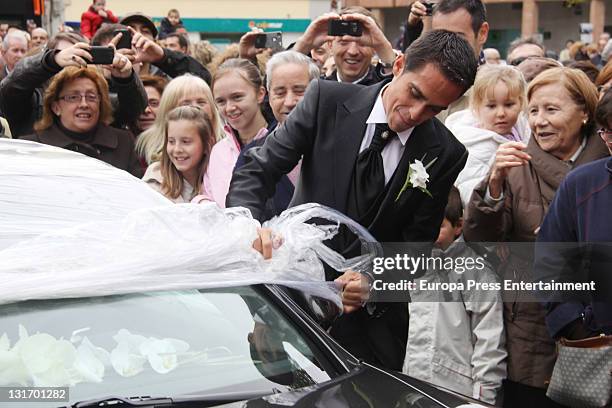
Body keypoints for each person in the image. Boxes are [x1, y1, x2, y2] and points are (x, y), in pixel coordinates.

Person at [226, 30, 478, 370]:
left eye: (434, 109)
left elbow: (416, 248)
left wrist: (374, 283)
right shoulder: (326, 100)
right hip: (295, 300)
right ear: (398, 66)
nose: (416, 113)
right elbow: (259, 168)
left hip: (374, 330)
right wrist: (248, 227)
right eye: (414, 94)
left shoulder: (445, 153)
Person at [463, 67, 608, 407]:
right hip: (531, 320)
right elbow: (481, 243)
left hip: (597, 323)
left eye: (552, 110)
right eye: (534, 111)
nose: (540, 121)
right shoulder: (515, 165)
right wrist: (494, 184)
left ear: (585, 113)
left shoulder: (604, 167)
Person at [404, 187, 506, 405]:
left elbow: (489, 343)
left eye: (438, 227)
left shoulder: (476, 273)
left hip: (457, 393)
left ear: (458, 226)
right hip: (412, 388)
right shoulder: (410, 266)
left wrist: (481, 400)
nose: (429, 235)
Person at [534, 87, 612, 344]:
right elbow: (550, 261)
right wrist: (578, 324)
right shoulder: (582, 184)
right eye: (609, 133)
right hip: (598, 347)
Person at [0, 32, 147, 138]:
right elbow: (10, 87)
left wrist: (125, 79)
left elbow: (134, 109)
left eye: (80, 55)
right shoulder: (32, 103)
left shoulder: (96, 102)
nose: (72, 61)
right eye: (68, 55)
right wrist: (52, 60)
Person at [20, 66, 141, 177]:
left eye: (91, 97)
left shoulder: (124, 143)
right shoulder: (32, 147)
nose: (84, 104)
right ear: (56, 107)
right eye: (73, 97)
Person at [446, 65, 530, 205]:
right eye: (491, 106)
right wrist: (494, 184)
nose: (501, 113)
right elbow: (471, 198)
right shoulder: (472, 145)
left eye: (509, 105)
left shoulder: (525, 130)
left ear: (521, 103)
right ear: (476, 107)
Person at [200, 58, 272, 208]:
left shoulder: (283, 142)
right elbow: (209, 196)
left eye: (237, 97)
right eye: (221, 101)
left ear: (260, 94)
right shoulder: (218, 151)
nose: (229, 107)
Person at [403, 0, 489, 122]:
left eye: (458, 38)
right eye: (439, 36)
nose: (446, 47)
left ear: (482, 33)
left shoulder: (497, 89)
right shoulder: (421, 83)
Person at [292, 6, 396, 86]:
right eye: (344, 42)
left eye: (362, 44)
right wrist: (303, 44)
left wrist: (384, 47)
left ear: (374, 49)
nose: (353, 51)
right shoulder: (317, 89)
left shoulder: (384, 87)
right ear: (330, 45)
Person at [136, 74, 224, 165]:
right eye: (186, 103)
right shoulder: (146, 149)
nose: (195, 108)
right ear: (169, 109)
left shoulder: (229, 141)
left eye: (201, 102)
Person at [143, 106, 214, 203]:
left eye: (185, 142)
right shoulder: (155, 180)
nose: (177, 149)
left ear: (207, 145)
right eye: (171, 141)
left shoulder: (218, 178)